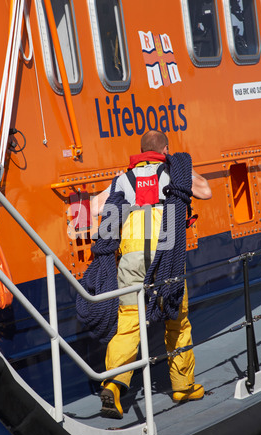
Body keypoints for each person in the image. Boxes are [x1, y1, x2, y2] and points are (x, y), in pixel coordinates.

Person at [91, 130, 212, 419]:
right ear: (165, 150)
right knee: (177, 319)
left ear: (140, 151)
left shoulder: (123, 179)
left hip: (131, 257)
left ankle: (114, 386)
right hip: (167, 254)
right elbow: (205, 191)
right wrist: (176, 165)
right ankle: (182, 386)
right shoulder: (173, 172)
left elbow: (96, 207)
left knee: (130, 324)